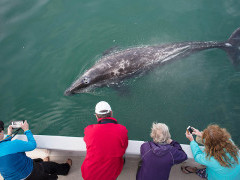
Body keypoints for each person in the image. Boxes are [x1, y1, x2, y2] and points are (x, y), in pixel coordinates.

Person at [0, 120, 72, 180]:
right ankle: (66, 168)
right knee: (51, 166)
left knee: (35, 161)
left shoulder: (8, 145)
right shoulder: (14, 144)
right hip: (30, 175)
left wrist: (9, 135)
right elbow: (32, 145)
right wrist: (26, 130)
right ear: (1, 132)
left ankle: (42, 163)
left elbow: (3, 146)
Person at [81, 101, 128, 180]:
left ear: (96, 116)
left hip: (88, 174)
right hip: (111, 175)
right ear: (111, 113)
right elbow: (124, 147)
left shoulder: (88, 130)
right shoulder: (122, 130)